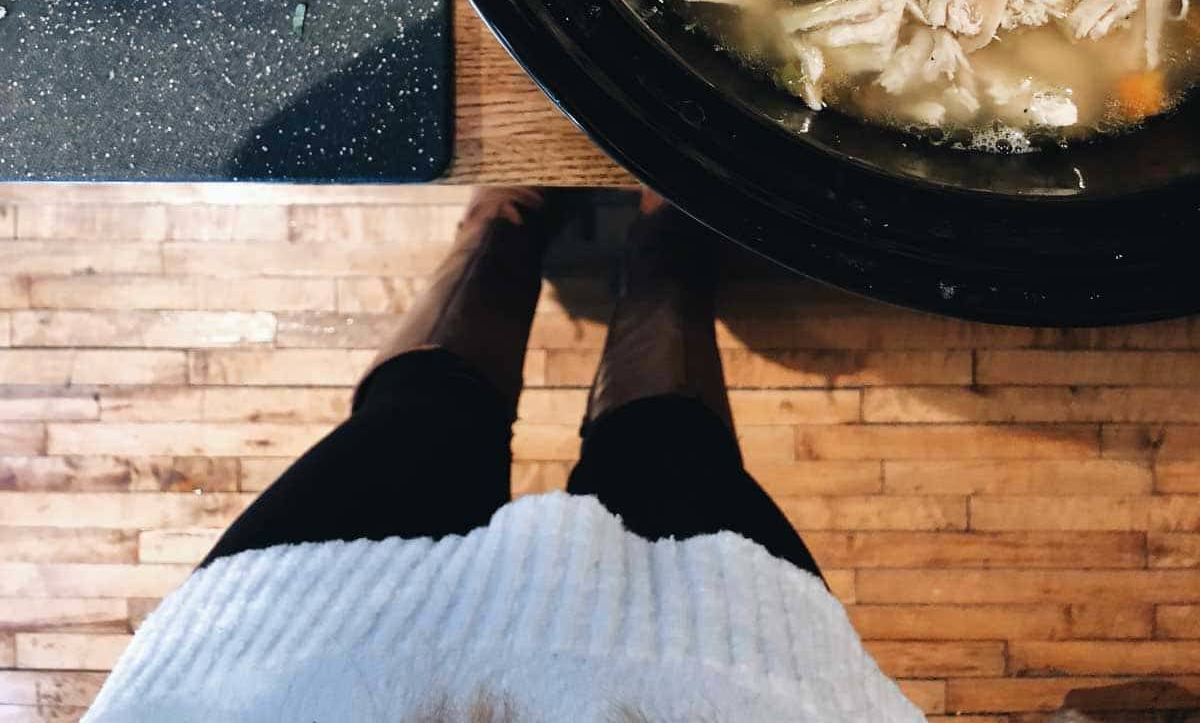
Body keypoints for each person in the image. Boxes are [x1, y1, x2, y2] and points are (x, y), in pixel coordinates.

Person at [84, 188, 922, 723]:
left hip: (292, 668)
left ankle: (511, 220)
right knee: (667, 436)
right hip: (714, 682)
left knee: (421, 418)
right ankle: (668, 239)